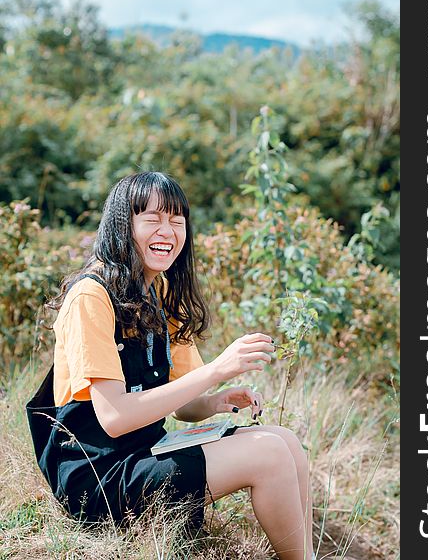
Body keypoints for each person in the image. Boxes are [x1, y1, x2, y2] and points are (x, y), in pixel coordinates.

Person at [26, 171, 314, 560]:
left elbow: (182, 406)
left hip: (145, 452)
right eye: (153, 219)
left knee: (287, 442)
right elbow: (114, 418)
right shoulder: (91, 297)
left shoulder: (156, 291)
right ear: (123, 224)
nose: (168, 231)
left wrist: (214, 401)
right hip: (98, 479)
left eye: (177, 221)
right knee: (270, 454)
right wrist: (216, 369)